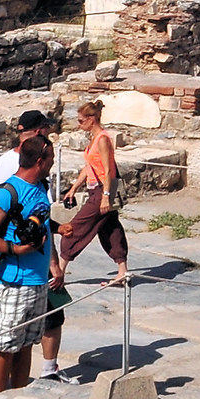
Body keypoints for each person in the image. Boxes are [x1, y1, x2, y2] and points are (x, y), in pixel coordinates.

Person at [0, 134, 62, 391]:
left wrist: (59, 228)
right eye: (51, 158)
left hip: (36, 278)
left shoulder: (40, 188)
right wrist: (15, 248)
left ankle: (19, 393)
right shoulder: (7, 192)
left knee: (26, 342)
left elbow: (39, 219)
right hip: (12, 279)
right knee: (5, 345)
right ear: (39, 161)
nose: (53, 163)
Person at [57, 99, 130, 286]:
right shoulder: (94, 140)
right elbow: (89, 167)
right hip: (96, 190)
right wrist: (74, 188)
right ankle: (123, 272)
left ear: (92, 119)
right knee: (110, 229)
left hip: (101, 192)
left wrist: (106, 196)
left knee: (74, 229)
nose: (78, 124)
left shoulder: (103, 139)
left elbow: (108, 170)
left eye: (81, 121)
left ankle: (59, 273)